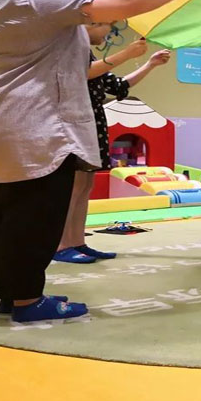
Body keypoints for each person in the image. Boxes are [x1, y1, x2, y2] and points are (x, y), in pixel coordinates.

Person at [0, 0, 201, 323]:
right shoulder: (39, 0)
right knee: (36, 214)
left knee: (6, 212)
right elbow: (124, 3)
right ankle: (28, 301)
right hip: (32, 125)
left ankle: (12, 294)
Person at [54, 25, 172, 264]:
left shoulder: (89, 54)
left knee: (84, 187)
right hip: (74, 124)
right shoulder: (68, 47)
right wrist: (127, 54)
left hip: (92, 124)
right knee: (72, 188)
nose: (108, 34)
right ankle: (61, 245)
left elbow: (119, 86)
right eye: (108, 26)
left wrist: (150, 64)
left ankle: (77, 241)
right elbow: (82, 73)